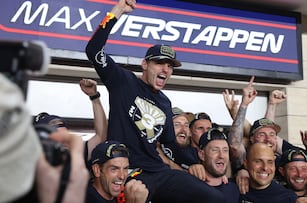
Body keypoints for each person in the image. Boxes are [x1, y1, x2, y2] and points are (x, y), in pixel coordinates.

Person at [85, 1, 226, 202]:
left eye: (170, 66)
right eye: (159, 63)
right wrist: (117, 11)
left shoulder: (165, 103)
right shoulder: (123, 81)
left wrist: (191, 164)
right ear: (145, 64)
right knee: (138, 195)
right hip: (132, 171)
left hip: (160, 171)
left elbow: (170, 145)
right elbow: (93, 49)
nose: (165, 69)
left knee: (216, 198)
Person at [0, 73, 89, 203]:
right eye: (52, 143)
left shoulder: (70, 175)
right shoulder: (14, 182)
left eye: (65, 143)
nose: (59, 149)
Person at [198, 128, 241, 203]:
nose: (221, 156)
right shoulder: (189, 188)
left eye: (225, 150)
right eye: (215, 150)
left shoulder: (235, 189)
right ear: (202, 155)